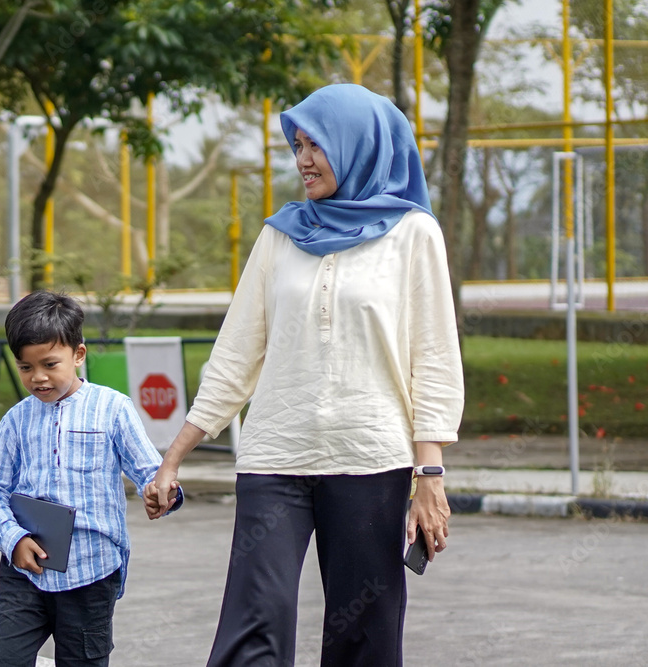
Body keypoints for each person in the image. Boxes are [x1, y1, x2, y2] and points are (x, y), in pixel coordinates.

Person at [147, 84, 464, 666]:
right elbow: (237, 351)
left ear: (358, 145)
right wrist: (175, 455)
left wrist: (431, 475)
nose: (303, 160)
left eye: (317, 144)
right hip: (275, 453)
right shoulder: (281, 234)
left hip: (370, 456)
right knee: (252, 622)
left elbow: (434, 360)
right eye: (296, 145)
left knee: (362, 634)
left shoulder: (414, 234)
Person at [0, 290, 181, 667]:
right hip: (24, 572)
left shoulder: (113, 409)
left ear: (79, 355)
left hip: (91, 573)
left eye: (50, 364)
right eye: (25, 367)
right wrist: (13, 539)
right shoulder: (16, 421)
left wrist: (161, 491)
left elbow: (150, 471)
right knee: (4, 660)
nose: (38, 377)